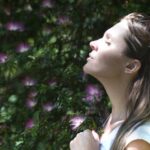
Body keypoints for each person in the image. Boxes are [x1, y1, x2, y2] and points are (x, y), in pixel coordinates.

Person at [70, 12, 150, 150]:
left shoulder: (138, 140)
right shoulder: (115, 124)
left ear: (131, 66)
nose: (93, 43)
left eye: (108, 42)